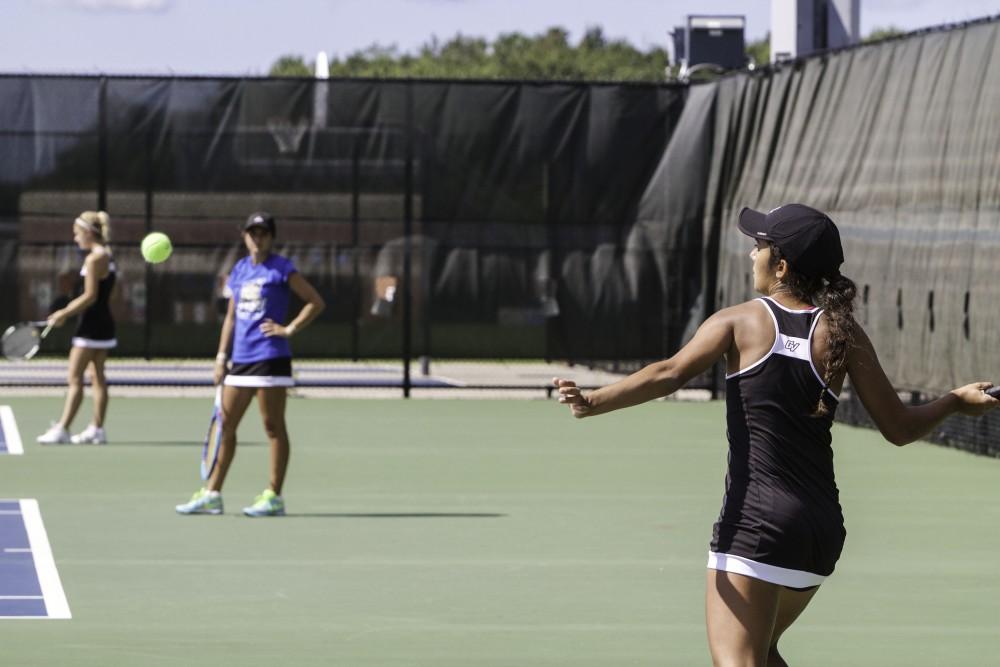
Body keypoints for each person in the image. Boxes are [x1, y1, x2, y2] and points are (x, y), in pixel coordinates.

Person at [553, 203, 999, 666]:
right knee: (762, 652)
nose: (752, 255)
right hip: (819, 531)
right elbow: (900, 428)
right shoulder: (844, 333)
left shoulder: (740, 320)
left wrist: (594, 401)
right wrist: (953, 401)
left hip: (757, 526)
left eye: (760, 246)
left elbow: (669, 373)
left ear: (781, 266)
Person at [176, 212, 325, 517]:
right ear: (244, 236)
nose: (258, 238)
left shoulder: (282, 269)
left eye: (263, 233)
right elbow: (230, 318)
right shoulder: (240, 270)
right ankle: (212, 494)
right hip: (240, 361)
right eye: (252, 233)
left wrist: (289, 329)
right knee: (226, 425)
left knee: (272, 427)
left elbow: (315, 301)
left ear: (271, 237)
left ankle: (274, 496)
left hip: (271, 357)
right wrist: (221, 357)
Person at [37, 211, 117, 445]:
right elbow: (110, 295)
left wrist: (64, 313)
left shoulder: (93, 259)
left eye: (77, 233)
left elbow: (90, 295)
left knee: (75, 378)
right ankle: (97, 429)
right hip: (104, 323)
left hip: (90, 326)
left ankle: (62, 428)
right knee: (98, 377)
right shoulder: (109, 256)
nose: (75, 238)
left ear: (89, 233)